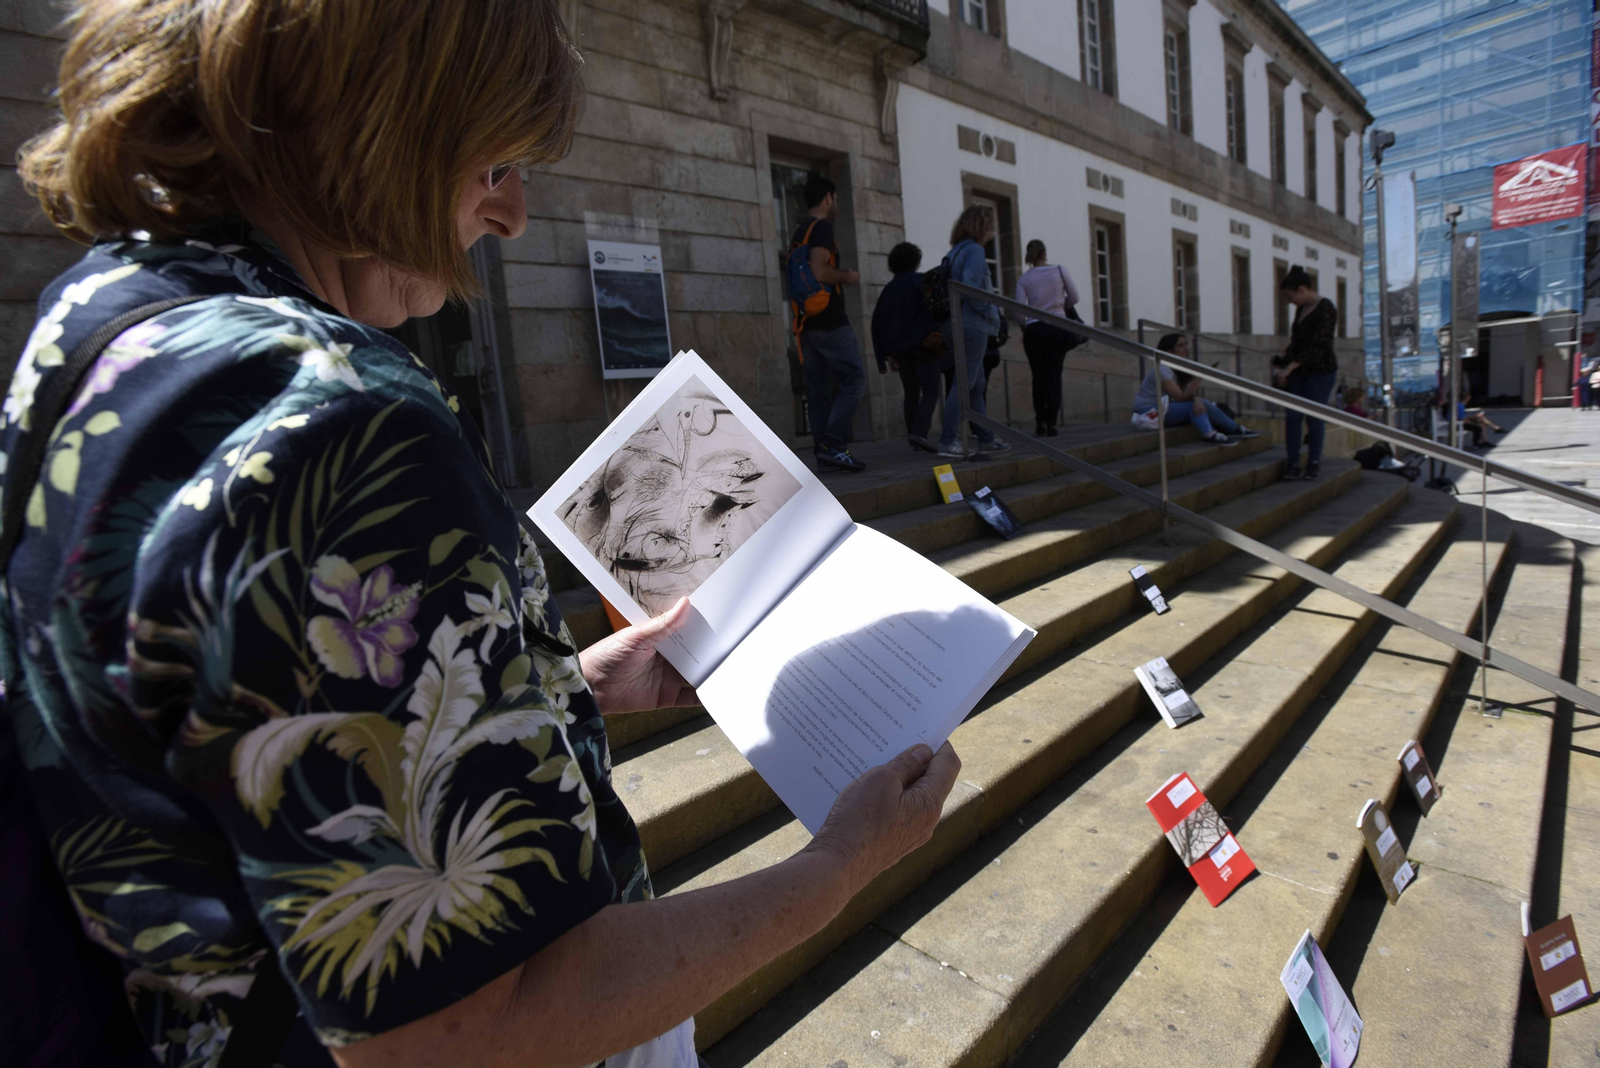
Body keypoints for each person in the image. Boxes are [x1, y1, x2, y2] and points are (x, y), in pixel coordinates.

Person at [4, 4, 960, 1067]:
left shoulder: (101, 320)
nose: (510, 213)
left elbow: (235, 708)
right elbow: (467, 1024)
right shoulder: (343, 423)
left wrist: (559, 686)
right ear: (376, 122)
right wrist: (837, 863)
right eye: (494, 161)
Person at [791, 174, 867, 473]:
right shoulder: (821, 228)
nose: (835, 204)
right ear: (827, 198)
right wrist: (846, 276)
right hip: (829, 320)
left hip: (806, 321)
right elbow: (820, 271)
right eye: (834, 198)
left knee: (818, 389)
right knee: (854, 378)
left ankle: (824, 453)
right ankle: (834, 445)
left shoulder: (799, 230)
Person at [937, 205, 1011, 458]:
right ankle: (948, 441)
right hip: (972, 324)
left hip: (954, 323)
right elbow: (972, 290)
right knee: (964, 383)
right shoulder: (975, 251)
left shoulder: (954, 251)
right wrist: (993, 316)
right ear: (983, 226)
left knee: (975, 384)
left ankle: (987, 437)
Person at [870, 242, 948, 451]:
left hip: (901, 350)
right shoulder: (921, 281)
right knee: (932, 390)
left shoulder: (888, 290)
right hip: (923, 345)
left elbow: (877, 323)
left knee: (911, 393)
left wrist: (883, 357)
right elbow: (936, 310)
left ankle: (914, 437)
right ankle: (919, 433)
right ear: (915, 261)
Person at [1270, 265, 1340, 480]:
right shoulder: (1301, 310)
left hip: (1320, 371)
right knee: (1292, 416)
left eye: (1291, 297)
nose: (1290, 302)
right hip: (1299, 371)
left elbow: (1319, 344)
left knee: (1314, 416)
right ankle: (1292, 463)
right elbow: (1297, 342)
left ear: (1302, 289)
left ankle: (1313, 462)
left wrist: (1290, 367)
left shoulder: (1326, 308)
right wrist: (1282, 363)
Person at [1132, 334, 1259, 445]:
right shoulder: (1162, 370)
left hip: (1164, 408)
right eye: (1181, 345)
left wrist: (1197, 398)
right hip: (1148, 412)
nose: (1186, 348)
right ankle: (1213, 433)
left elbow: (1188, 394)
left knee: (1201, 404)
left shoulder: (1177, 369)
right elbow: (1181, 397)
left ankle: (1232, 429)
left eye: (1186, 344)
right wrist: (1201, 376)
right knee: (1194, 406)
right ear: (1169, 351)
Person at [1014, 240, 1081, 437]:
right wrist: (1060, 304)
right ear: (1044, 252)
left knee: (1038, 377)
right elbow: (1075, 298)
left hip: (1034, 330)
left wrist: (1025, 326)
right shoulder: (1059, 270)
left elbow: (1019, 311)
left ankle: (1040, 421)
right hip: (1057, 326)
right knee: (1054, 374)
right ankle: (1052, 422)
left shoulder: (1024, 278)